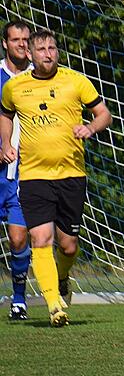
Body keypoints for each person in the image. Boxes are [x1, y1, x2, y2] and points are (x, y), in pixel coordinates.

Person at [0, 29, 112, 327]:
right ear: (31, 55)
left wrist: (91, 127)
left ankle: (62, 277)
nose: (47, 53)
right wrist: (6, 143)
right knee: (40, 238)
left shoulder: (75, 81)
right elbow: (5, 114)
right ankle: (53, 305)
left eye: (52, 48)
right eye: (41, 49)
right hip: (34, 176)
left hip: (72, 175)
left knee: (68, 246)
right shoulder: (15, 87)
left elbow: (104, 114)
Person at [1, 20, 32, 320]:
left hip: (21, 173)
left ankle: (19, 300)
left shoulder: (39, 77)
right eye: (16, 40)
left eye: (26, 39)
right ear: (5, 44)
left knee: (19, 238)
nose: (22, 44)